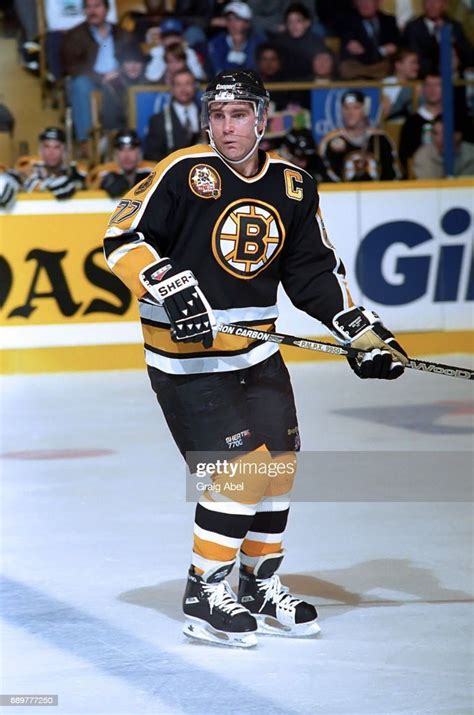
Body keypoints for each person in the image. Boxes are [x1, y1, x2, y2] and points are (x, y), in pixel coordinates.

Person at [102, 69, 408, 647]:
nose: (226, 127)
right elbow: (122, 239)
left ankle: (257, 582)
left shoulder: (292, 186)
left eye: (238, 115)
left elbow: (312, 272)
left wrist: (358, 331)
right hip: (186, 360)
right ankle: (203, 590)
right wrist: (166, 284)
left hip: (257, 351)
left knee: (279, 468)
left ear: (262, 118)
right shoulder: (182, 172)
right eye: (217, 116)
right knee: (237, 474)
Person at [61, 0, 131, 155]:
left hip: (119, 79)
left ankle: (127, 140)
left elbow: (133, 59)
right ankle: (87, 142)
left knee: (137, 86)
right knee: (79, 84)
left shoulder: (121, 33)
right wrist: (101, 77)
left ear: (106, 10)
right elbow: (72, 67)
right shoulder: (74, 35)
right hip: (91, 81)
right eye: (88, 7)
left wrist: (120, 72)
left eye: (97, 6)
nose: (92, 11)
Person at [319, 90, 400, 181]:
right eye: (346, 108)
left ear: (365, 110)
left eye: (356, 108)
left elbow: (392, 174)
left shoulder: (380, 139)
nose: (350, 113)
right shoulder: (330, 141)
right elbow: (327, 176)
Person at [402, 0, 473, 76]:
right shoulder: (413, 28)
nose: (431, 5)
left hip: (454, 79)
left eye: (436, 1)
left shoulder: (455, 26)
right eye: (428, 1)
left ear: (445, 5)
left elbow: (469, 57)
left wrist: (454, 42)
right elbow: (416, 58)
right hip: (426, 80)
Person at [144, 69, 201, 161]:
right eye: (178, 84)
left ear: (195, 86)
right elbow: (151, 155)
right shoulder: (158, 120)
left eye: (188, 84)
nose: (183, 89)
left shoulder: (207, 116)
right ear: (172, 89)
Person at [15, 127, 87, 199]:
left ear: (64, 151)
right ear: (40, 151)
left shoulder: (77, 172)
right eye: (47, 147)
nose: (51, 152)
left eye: (57, 147)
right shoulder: (30, 170)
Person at [337, 0, 401, 79]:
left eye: (368, 1)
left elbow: (395, 47)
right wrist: (382, 51)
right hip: (358, 68)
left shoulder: (389, 21)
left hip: (382, 68)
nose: (363, 4)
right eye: (360, 1)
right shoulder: (347, 21)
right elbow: (362, 55)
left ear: (378, 3)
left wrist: (375, 53)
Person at [87, 129, 155, 197]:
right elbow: (87, 199)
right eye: (121, 149)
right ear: (115, 154)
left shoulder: (154, 171)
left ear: (140, 153)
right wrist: (104, 185)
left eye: (131, 149)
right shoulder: (102, 173)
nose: (126, 155)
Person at [398, 72, 442, 177]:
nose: (432, 90)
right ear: (422, 89)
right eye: (428, 85)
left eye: (437, 85)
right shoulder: (411, 123)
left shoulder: (456, 119)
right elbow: (405, 157)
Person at [207, 2, 265, 75]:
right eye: (229, 19)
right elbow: (219, 72)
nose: (232, 23)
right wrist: (235, 50)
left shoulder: (258, 42)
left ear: (247, 23)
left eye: (237, 19)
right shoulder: (216, 43)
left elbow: (256, 71)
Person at [144, 17, 206, 83]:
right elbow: (151, 78)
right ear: (161, 39)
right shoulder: (155, 52)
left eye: (175, 35)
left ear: (182, 38)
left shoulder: (189, 52)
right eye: (167, 36)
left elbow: (199, 77)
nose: (172, 39)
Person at [381, 47, 420, 121]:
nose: (417, 67)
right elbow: (385, 113)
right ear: (398, 65)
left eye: (417, 63)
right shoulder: (387, 84)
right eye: (413, 63)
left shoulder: (417, 85)